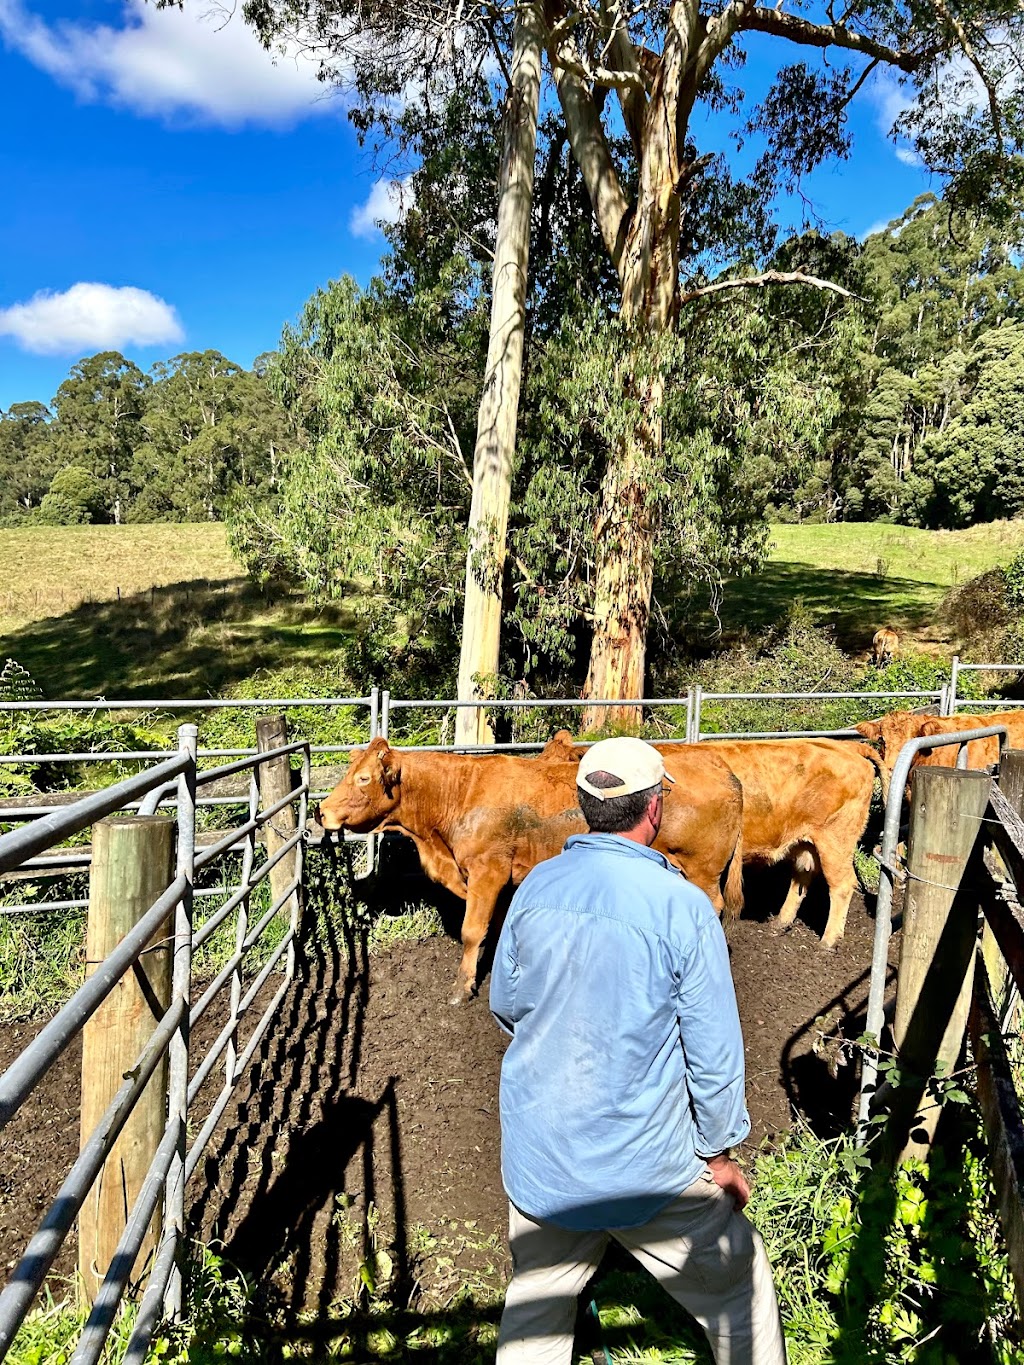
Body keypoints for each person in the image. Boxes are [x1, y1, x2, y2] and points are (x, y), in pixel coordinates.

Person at [489, 736, 786, 1365]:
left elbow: (506, 1006)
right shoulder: (681, 906)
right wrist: (720, 1151)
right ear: (654, 809)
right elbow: (712, 1049)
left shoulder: (535, 888)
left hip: (542, 1156)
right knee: (741, 1286)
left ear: (584, 804)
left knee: (539, 1300)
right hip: (646, 1162)